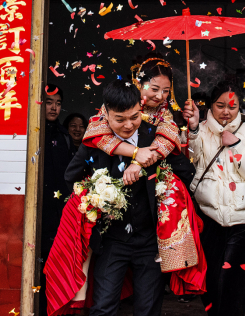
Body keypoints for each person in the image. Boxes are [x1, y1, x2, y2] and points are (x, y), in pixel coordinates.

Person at [64, 80, 196, 316]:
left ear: (141, 107)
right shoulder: (95, 141)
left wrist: (164, 182)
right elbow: (70, 177)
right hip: (111, 241)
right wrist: (94, 195)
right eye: (120, 119)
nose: (128, 125)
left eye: (134, 117)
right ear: (106, 113)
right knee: (103, 307)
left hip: (150, 241)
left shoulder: (155, 137)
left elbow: (187, 173)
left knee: (147, 309)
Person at [183, 81, 245, 316]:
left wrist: (237, 145)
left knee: (235, 280)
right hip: (209, 216)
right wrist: (191, 130)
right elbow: (190, 160)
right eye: (220, 105)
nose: (226, 111)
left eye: (232, 106)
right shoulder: (200, 129)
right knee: (211, 278)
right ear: (211, 106)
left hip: (244, 219)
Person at [83, 57, 182, 169]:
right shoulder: (118, 102)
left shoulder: (164, 113)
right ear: (139, 83)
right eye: (154, 89)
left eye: (166, 91)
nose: (160, 96)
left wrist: (139, 163)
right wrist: (136, 152)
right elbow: (97, 133)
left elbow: (169, 139)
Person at [40, 84, 74, 316]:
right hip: (38, 206)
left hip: (59, 208)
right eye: (49, 102)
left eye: (58, 103)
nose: (53, 108)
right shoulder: (34, 131)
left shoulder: (64, 135)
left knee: (56, 258)